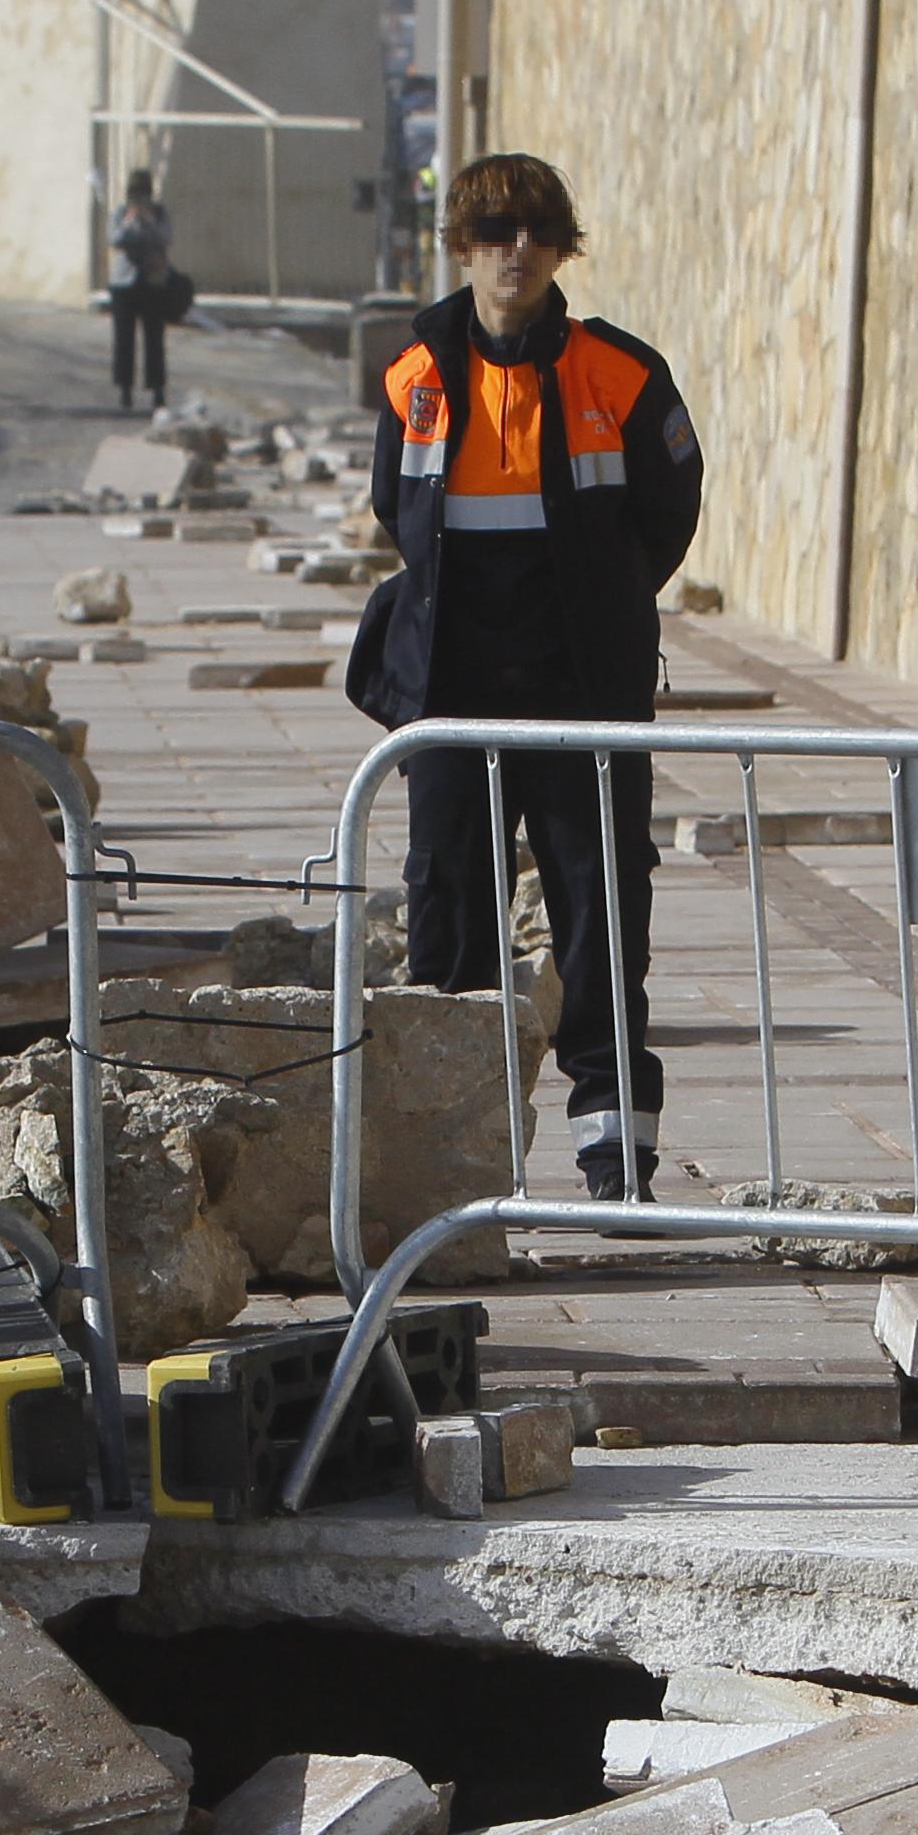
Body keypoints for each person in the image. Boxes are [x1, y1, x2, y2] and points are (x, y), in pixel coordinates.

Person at [343, 151, 705, 1202]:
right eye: (496, 232)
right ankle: (450, 1168)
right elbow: (394, 509)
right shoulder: (416, 374)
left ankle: (615, 1157)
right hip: (452, 697)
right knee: (448, 917)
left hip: (580, 694)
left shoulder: (620, 374)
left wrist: (607, 604)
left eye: (538, 235)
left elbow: (671, 507)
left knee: (600, 919)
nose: (517, 252)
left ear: (561, 250)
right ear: (463, 244)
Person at [108, 169, 176, 408]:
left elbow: (166, 238)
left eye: (143, 194)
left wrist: (149, 221)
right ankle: (125, 388)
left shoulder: (159, 213)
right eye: (135, 194)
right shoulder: (120, 212)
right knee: (124, 338)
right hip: (124, 283)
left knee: (154, 338)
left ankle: (157, 389)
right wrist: (128, 222)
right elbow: (114, 239)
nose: (138, 199)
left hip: (152, 282)